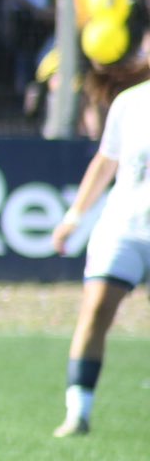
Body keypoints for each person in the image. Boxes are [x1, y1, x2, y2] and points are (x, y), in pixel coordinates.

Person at [50, 77, 150, 436]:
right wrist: (74, 216)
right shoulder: (131, 102)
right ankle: (78, 411)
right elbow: (106, 162)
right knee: (95, 311)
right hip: (124, 227)